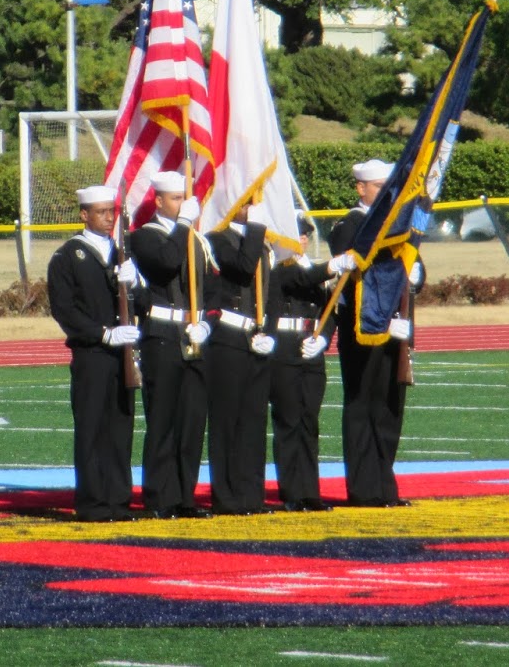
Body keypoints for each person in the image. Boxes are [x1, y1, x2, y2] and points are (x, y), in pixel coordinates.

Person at [327, 159, 421, 508]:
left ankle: (385, 485)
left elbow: (415, 266)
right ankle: (364, 488)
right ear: (361, 189)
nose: (385, 193)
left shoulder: (398, 224)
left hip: (394, 327)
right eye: (379, 187)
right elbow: (356, 262)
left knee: (389, 408)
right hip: (362, 329)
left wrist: (415, 274)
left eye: (388, 187)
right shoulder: (349, 225)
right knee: (362, 405)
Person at [46, 185, 142, 522]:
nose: (108, 218)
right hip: (92, 354)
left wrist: (137, 283)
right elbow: (65, 311)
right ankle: (92, 502)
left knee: (120, 425)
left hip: (123, 354)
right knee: (91, 427)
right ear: (84, 214)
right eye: (100, 212)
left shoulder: (121, 254)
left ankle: (118, 499)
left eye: (111, 212)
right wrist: (103, 334)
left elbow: (139, 303)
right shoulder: (68, 256)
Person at [128, 171, 212, 519]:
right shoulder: (145, 237)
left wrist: (207, 322)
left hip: (193, 334)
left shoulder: (194, 238)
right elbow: (165, 262)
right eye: (175, 199)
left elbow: (211, 286)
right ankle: (159, 497)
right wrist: (184, 224)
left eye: (184, 199)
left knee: (191, 422)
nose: (181, 204)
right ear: (159, 201)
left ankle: (184, 497)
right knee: (163, 420)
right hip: (162, 336)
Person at [266, 215, 352, 511]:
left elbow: (331, 309)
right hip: (285, 347)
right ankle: (292, 492)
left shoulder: (313, 271)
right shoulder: (277, 268)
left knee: (308, 422)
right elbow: (301, 280)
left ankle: (309, 491)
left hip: (310, 348)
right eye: (296, 235)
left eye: (304, 236)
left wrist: (324, 338)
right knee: (288, 421)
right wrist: (333, 266)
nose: (301, 240)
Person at [202, 203, 273, 515]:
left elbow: (272, 290)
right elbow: (243, 267)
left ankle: (251, 494)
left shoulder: (264, 244)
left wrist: (269, 331)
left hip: (256, 338)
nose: (251, 207)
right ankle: (227, 496)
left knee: (254, 421)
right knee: (227, 420)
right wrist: (256, 229)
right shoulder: (217, 240)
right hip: (227, 338)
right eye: (246, 202)